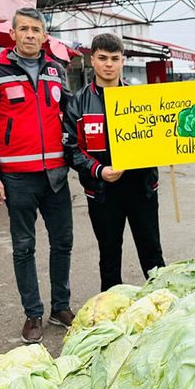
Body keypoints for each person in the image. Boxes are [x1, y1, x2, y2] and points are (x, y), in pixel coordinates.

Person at [0, 7, 74, 345]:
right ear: (13, 34)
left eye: (37, 29)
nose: (31, 35)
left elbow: (71, 118)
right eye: (25, 29)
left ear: (45, 36)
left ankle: (61, 307)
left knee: (63, 242)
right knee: (23, 247)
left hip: (56, 177)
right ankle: (33, 313)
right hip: (17, 178)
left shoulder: (56, 70)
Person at [63, 33, 165, 291]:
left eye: (114, 58)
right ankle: (110, 308)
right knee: (109, 254)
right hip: (102, 191)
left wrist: (168, 147)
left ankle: (164, 301)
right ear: (92, 60)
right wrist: (99, 171)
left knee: (151, 251)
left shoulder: (141, 100)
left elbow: (158, 139)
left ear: (123, 61)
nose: (108, 64)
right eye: (102, 58)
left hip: (141, 188)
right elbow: (71, 149)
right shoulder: (77, 103)